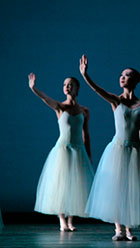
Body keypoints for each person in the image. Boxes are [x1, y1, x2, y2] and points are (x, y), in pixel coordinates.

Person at [80, 55, 140, 241]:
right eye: (121, 74)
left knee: (132, 189)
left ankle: (129, 229)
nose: (123, 77)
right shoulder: (116, 101)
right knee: (117, 188)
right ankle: (118, 229)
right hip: (118, 149)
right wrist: (85, 75)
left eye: (128, 75)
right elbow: (98, 90)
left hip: (135, 151)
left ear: (136, 80)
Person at [28, 73, 94, 232]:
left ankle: (71, 220)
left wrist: (89, 154)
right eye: (65, 84)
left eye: (71, 84)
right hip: (63, 149)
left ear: (77, 88)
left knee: (76, 184)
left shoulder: (84, 110)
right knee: (62, 184)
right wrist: (34, 88)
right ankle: (62, 220)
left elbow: (86, 134)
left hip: (78, 150)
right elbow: (45, 99)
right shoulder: (60, 107)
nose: (67, 86)